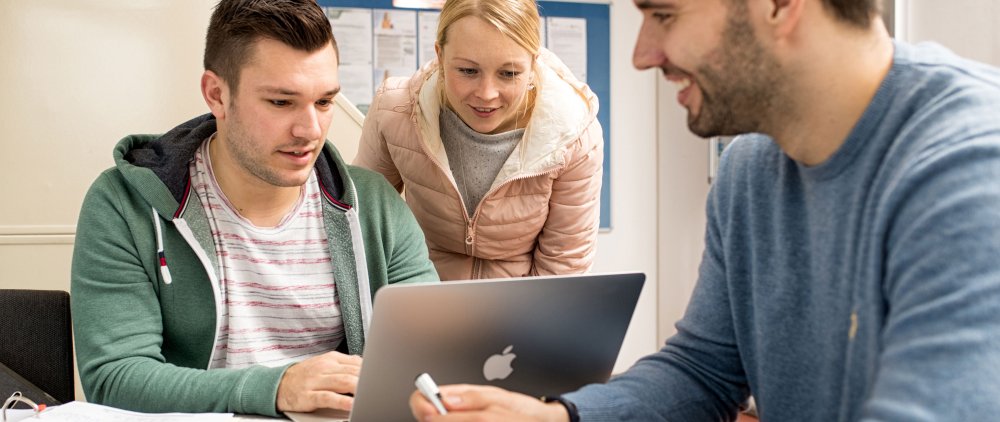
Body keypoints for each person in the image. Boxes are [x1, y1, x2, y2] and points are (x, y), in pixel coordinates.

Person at [410, 0, 1000, 419]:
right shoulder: (750, 170)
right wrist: (555, 418)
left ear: (780, 6)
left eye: (663, 14)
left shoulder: (969, 167)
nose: (643, 54)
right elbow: (703, 373)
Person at [70, 0, 438, 417]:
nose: (309, 131)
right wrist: (276, 387)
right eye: (281, 103)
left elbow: (430, 354)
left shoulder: (374, 205)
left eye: (323, 102)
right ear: (217, 94)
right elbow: (115, 377)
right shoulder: (124, 205)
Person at [353, 0, 604, 281]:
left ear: (533, 63)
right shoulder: (395, 110)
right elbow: (361, 228)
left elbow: (562, 270)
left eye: (509, 74)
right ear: (440, 56)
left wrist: (524, 323)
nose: (487, 94)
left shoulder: (574, 135)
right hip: (418, 297)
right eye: (468, 71)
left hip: (519, 311)